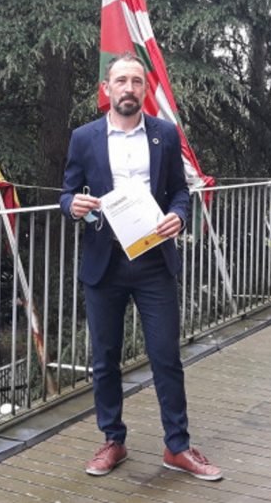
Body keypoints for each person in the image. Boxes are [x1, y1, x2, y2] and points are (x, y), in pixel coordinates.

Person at [59, 53, 222, 481]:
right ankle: (113, 440)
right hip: (105, 263)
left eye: (136, 81)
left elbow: (179, 192)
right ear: (106, 90)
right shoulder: (84, 137)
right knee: (105, 357)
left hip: (153, 262)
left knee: (166, 356)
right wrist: (72, 206)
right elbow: (68, 192)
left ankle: (178, 447)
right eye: (121, 81)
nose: (128, 88)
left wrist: (180, 216)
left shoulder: (165, 135)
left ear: (144, 90)